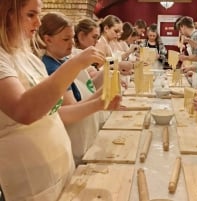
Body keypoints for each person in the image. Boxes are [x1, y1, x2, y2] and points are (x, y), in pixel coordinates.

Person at [0, 0, 119, 200]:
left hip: (59, 169)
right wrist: (75, 64)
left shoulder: (26, 56)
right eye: (30, 15)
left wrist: (100, 102)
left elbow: (52, 111)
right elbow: (23, 110)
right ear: (6, 14)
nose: (38, 23)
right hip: (31, 182)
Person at [38, 12, 119, 165]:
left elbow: (86, 89)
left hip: (86, 137)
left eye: (71, 37)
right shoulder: (51, 67)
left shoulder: (66, 60)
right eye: (66, 39)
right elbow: (71, 110)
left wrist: (109, 79)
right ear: (47, 40)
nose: (71, 43)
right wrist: (100, 99)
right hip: (75, 142)